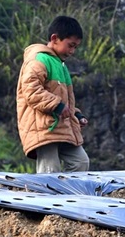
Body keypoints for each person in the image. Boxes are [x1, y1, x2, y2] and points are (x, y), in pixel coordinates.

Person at [15, 15, 90, 174]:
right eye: (70, 45)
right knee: (50, 170)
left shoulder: (61, 66)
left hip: (63, 128)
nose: (72, 51)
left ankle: (70, 197)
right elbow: (31, 90)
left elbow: (64, 101)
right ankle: (47, 198)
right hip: (44, 128)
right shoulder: (39, 59)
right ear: (55, 38)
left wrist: (76, 114)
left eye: (75, 47)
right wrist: (57, 105)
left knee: (80, 162)